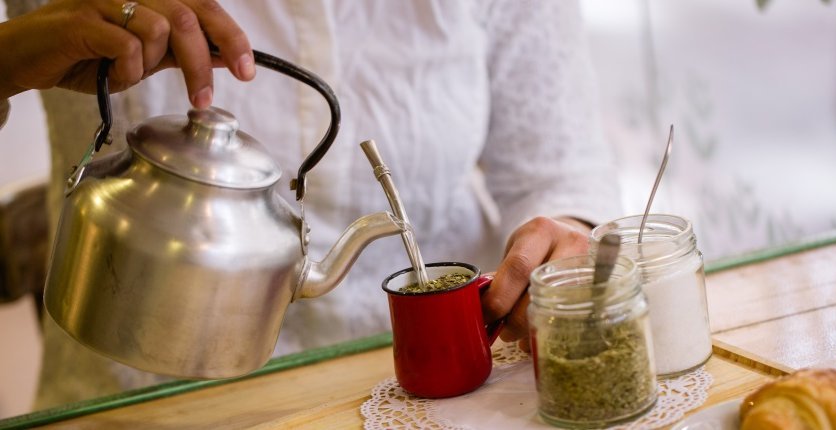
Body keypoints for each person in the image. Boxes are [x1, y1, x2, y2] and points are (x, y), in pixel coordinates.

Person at [3, 0, 621, 410]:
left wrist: (564, 235)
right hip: (148, 408)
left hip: (439, 404)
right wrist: (9, 58)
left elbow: (562, 169)